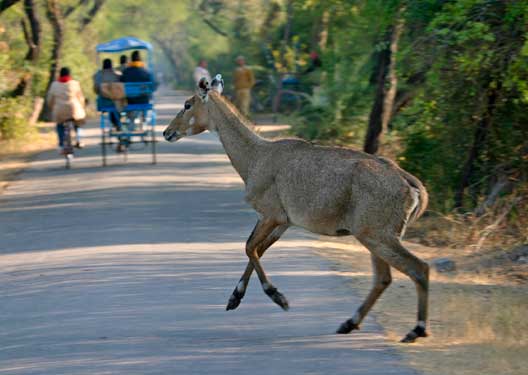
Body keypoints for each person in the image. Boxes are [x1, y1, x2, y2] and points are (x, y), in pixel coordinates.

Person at [46, 67, 86, 151]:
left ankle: (61, 143)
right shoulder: (75, 83)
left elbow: (50, 99)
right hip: (74, 110)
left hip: (59, 111)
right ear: (69, 74)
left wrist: (52, 107)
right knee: (78, 124)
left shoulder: (54, 84)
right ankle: (79, 139)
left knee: (60, 125)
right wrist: (82, 107)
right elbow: (81, 98)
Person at [93, 58, 121, 130]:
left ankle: (116, 124)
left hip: (103, 102)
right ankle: (118, 123)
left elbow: (96, 89)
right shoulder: (117, 75)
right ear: (111, 66)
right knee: (116, 106)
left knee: (111, 108)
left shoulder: (98, 75)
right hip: (117, 102)